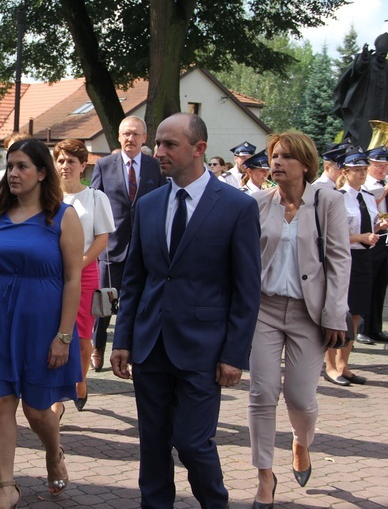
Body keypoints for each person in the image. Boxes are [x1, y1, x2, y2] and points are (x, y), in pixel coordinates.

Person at [110, 113, 261, 509]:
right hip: (150, 345)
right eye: (157, 143)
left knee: (193, 443)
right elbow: (135, 279)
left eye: (169, 144)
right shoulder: (149, 204)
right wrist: (122, 338)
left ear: (198, 149)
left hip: (203, 350)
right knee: (153, 443)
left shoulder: (236, 207)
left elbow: (247, 290)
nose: (158, 152)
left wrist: (234, 354)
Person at [0, 137, 83, 508]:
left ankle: (53, 453)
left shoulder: (63, 217)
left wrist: (64, 336)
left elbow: (73, 279)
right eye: (11, 165)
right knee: (1, 404)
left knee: (37, 409)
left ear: (41, 172)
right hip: (1, 324)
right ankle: (6, 485)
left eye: (22, 166)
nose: (14, 173)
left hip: (44, 325)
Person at [248, 132, 351, 508]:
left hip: (310, 314)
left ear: (305, 164)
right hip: (265, 310)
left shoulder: (328, 202)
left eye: (286, 157)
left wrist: (335, 313)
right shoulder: (258, 202)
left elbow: (340, 259)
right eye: (274, 156)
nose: (276, 163)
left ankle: (301, 442)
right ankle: (263, 477)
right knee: (261, 394)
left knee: (301, 398)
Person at [89, 115, 164, 371]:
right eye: (125, 134)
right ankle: (97, 348)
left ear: (144, 138)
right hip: (111, 248)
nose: (130, 139)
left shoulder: (155, 167)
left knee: (135, 305)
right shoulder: (104, 164)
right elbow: (96, 203)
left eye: (135, 134)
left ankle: (128, 351)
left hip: (143, 247)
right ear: (119, 137)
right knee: (103, 304)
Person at [53, 138, 114, 414]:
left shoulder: (95, 197)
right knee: (53, 331)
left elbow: (102, 237)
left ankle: (80, 381)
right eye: (61, 161)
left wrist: (81, 262)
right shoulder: (47, 197)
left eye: (71, 162)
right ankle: (55, 394)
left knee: (81, 336)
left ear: (83, 166)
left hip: (85, 272)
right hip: (52, 272)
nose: (65, 166)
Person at [324, 148, 385, 386]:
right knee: (337, 312)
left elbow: (370, 226)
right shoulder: (336, 197)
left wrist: (379, 228)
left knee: (356, 313)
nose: (361, 174)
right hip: (341, 259)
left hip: (363, 260)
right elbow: (331, 235)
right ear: (345, 173)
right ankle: (329, 366)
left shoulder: (369, 197)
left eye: (363, 170)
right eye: (356, 170)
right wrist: (360, 237)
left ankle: (343, 364)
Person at [332, 33, 388, 146]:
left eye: (385, 54)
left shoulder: (386, 66)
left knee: (377, 131)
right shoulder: (368, 60)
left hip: (380, 106)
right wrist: (363, 57)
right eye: (381, 53)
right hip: (364, 105)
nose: (383, 56)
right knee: (361, 130)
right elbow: (358, 69)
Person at [360, 145, 388, 344]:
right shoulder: (366, 185)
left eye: (385, 165)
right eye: (379, 165)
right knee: (367, 284)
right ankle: (362, 328)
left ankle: (376, 328)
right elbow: (369, 204)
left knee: (381, 284)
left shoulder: (384, 183)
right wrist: (387, 188)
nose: (383, 169)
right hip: (371, 238)